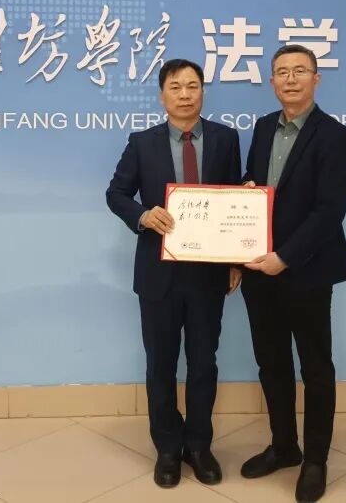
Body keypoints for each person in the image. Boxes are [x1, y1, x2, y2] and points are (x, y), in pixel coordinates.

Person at [106, 59, 242, 489]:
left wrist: (236, 259)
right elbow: (116, 193)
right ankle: (167, 448)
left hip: (208, 273)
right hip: (158, 275)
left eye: (193, 86)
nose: (185, 94)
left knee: (204, 364)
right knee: (160, 365)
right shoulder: (142, 143)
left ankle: (199, 446)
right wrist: (143, 215)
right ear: (162, 95)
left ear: (203, 91)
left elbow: (235, 201)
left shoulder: (225, 139)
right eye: (176, 87)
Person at [239, 44, 346, 503]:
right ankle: (284, 446)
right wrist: (247, 192)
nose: (290, 79)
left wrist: (284, 257)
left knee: (315, 368)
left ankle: (315, 461)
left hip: (306, 270)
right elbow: (254, 189)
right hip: (258, 270)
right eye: (282, 72)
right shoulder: (263, 127)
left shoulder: (335, 136)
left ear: (316, 79)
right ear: (272, 81)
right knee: (271, 363)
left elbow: (329, 211)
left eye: (300, 71)